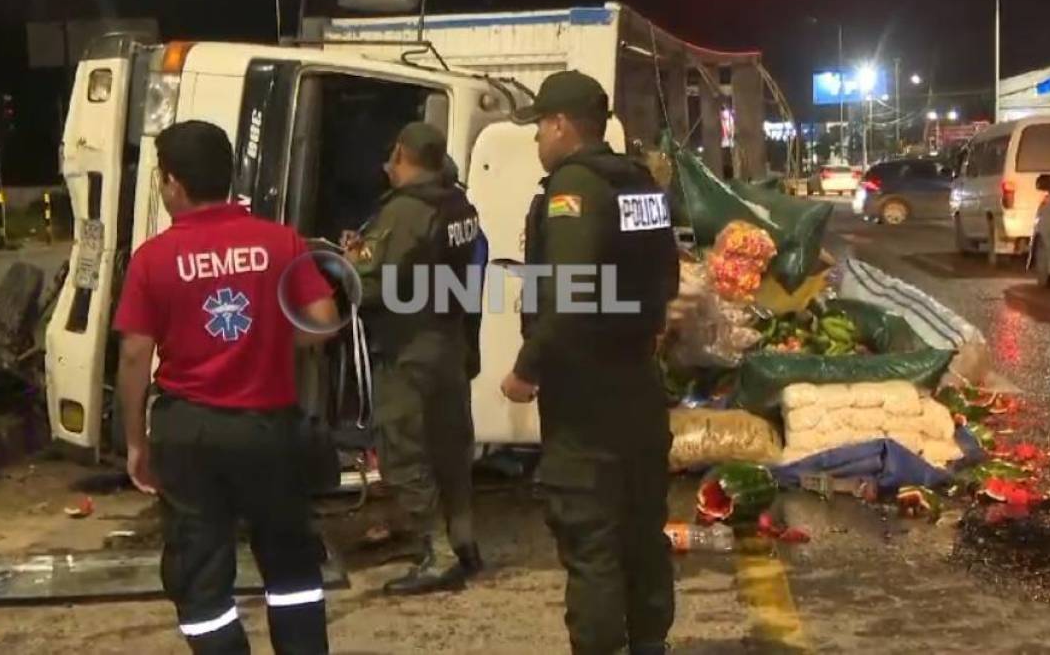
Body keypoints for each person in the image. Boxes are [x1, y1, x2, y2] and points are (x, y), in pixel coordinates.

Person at [114, 121, 340, 655]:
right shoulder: (279, 241)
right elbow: (325, 321)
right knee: (292, 572)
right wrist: (277, 341)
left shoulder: (153, 258)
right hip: (269, 428)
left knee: (201, 578)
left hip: (190, 431)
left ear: (174, 184)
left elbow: (132, 356)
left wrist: (135, 443)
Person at [499, 71, 679, 655]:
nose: (536, 143)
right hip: (640, 387)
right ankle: (651, 642)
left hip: (587, 398)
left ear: (560, 125)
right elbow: (667, 277)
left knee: (592, 537)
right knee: (641, 531)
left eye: (539, 129)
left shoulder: (574, 187)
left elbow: (571, 294)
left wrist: (527, 368)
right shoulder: (641, 183)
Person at [342, 122, 483, 596]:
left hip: (409, 347)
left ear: (401, 153)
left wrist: (347, 267)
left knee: (404, 451)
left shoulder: (404, 212)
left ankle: (438, 556)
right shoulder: (458, 204)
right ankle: (463, 545)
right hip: (449, 339)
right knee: (450, 450)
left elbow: (377, 283)